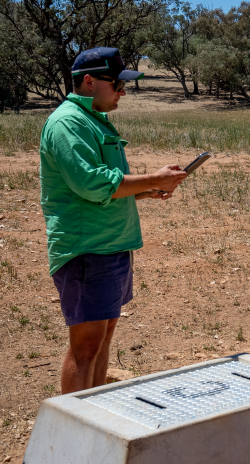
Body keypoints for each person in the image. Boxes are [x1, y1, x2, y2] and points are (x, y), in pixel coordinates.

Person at [40, 47, 188, 393]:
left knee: (103, 338)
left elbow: (106, 184)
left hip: (111, 246)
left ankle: (97, 415)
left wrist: (144, 191)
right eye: (117, 82)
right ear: (89, 81)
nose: (123, 90)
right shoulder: (67, 123)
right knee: (86, 346)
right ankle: (77, 432)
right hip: (87, 249)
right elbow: (92, 184)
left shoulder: (94, 119)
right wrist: (153, 179)